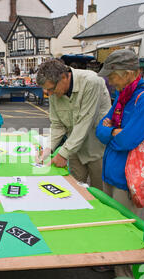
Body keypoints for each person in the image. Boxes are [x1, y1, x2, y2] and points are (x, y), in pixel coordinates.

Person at [95, 49, 144, 278]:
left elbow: (128, 139)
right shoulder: (123, 97)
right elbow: (100, 130)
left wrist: (111, 131)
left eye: (112, 76)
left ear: (126, 74)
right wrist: (114, 131)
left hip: (128, 178)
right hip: (112, 172)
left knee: (126, 233)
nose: (109, 81)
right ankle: (118, 275)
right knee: (115, 227)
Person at [35, 58, 111, 190]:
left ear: (64, 77)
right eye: (47, 91)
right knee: (74, 190)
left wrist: (63, 154)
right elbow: (57, 124)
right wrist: (48, 149)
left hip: (98, 149)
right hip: (75, 149)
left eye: (52, 89)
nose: (50, 94)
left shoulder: (91, 82)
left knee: (101, 194)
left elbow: (85, 122)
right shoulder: (53, 91)